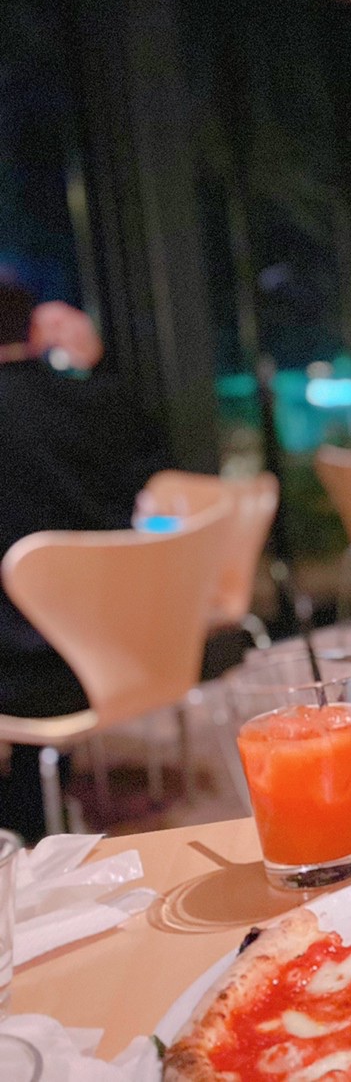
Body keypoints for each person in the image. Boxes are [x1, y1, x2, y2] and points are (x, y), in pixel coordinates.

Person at [0, 283, 170, 842]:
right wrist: (90, 368)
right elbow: (151, 461)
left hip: (20, 675)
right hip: (115, 649)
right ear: (33, 332)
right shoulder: (96, 403)